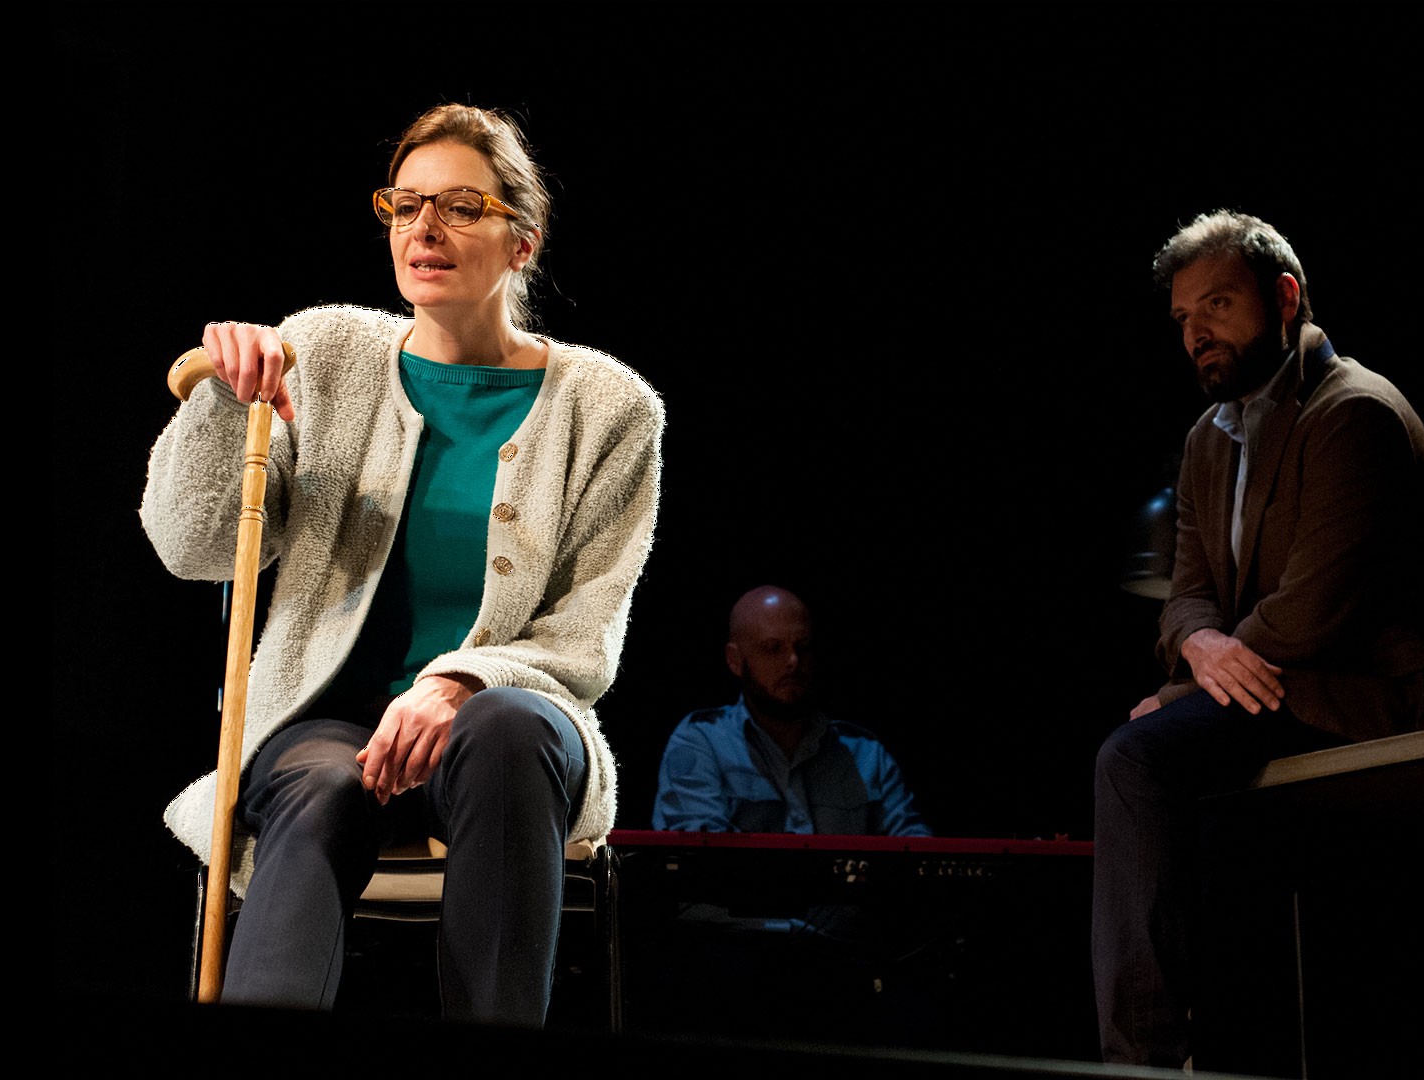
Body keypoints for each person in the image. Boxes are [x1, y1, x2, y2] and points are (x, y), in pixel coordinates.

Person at [140, 103, 664, 1026]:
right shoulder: (324, 351)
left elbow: (585, 635)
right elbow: (193, 548)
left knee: (507, 728)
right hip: (327, 727)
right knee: (325, 781)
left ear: (523, 242)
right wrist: (225, 400)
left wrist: (460, 681)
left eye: (461, 207)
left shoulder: (610, 408)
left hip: (512, 736)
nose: (425, 229)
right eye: (406, 205)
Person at [1092, 210, 1424, 1067]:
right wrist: (1197, 647)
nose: (1196, 334)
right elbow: (1185, 599)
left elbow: (1312, 610)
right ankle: (1210, 1044)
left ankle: (1140, 1062)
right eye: (1183, 318)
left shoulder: (1355, 411)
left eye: (1218, 305)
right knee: (1171, 782)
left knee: (1135, 758)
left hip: (1362, 695)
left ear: (1286, 297)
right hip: (1272, 693)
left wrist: (1183, 687)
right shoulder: (1207, 439)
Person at [651, 585, 931, 836]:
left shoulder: (865, 753)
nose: (793, 661)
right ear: (735, 660)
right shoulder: (702, 742)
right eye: (772, 648)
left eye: (803, 646)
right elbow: (700, 860)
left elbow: (915, 853)